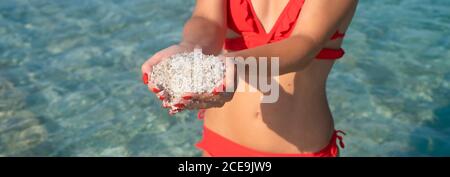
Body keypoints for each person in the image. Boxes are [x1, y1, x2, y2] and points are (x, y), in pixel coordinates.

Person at [141, 0, 358, 157]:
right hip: (220, 145)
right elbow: (207, 20)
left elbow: (304, 45)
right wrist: (189, 50)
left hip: (299, 150)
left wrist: (232, 64)